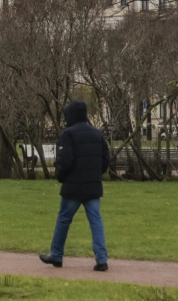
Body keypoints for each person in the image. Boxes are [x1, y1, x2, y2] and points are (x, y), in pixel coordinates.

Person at [39, 99, 110, 271]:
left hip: (73, 186)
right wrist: (95, 175)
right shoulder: (97, 134)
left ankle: (56, 254)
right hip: (93, 185)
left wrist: (61, 177)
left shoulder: (67, 134)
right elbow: (105, 159)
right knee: (96, 221)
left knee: (64, 219)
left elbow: (65, 161)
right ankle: (101, 259)